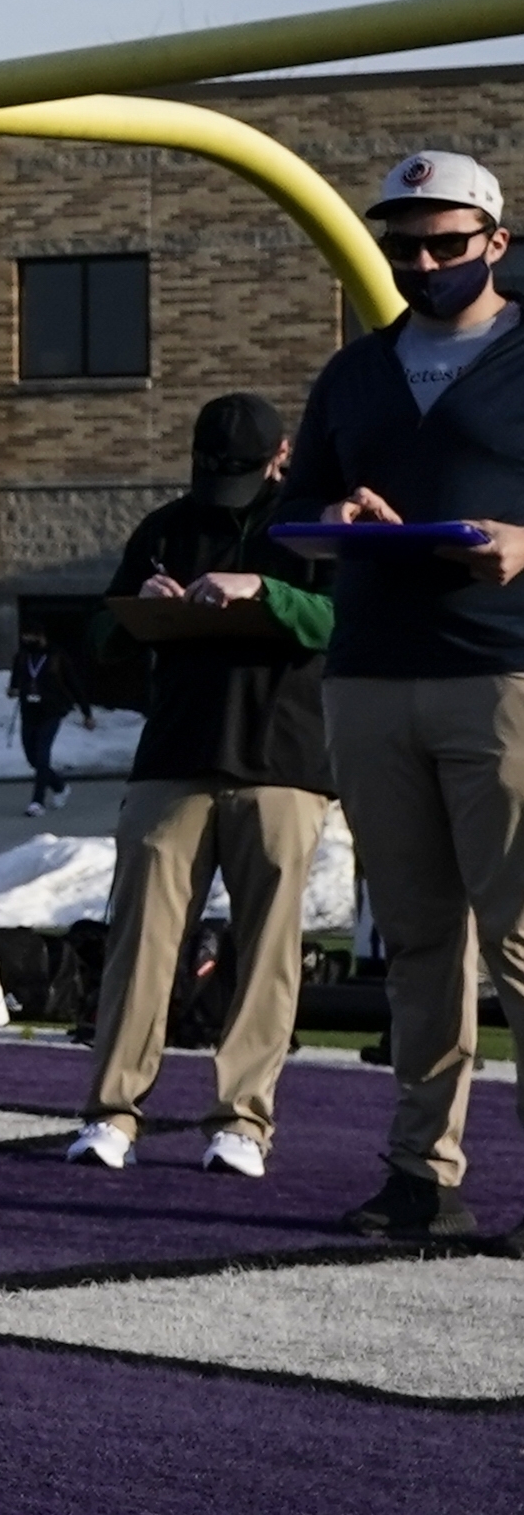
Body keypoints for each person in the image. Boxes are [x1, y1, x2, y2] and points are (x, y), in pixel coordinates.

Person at [274, 148, 524, 1243]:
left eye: (444, 244)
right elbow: (291, 514)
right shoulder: (355, 370)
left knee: (519, 939)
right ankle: (421, 1173)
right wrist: (336, 523)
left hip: (500, 674)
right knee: (418, 940)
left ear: (495, 243)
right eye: (400, 244)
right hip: (371, 676)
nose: (419, 262)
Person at [65, 393, 334, 1178]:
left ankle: (241, 1120)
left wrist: (265, 590)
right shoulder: (165, 527)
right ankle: (110, 1111)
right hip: (173, 756)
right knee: (139, 941)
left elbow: (342, 620)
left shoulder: (316, 524)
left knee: (267, 951)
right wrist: (134, 611)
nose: (222, 487)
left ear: (279, 455)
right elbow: (100, 638)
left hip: (283, 761)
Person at [11, 627, 78, 820]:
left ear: (41, 636)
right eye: (23, 636)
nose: (26, 640)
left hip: (51, 711)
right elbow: (16, 681)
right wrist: (14, 689)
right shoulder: (22, 657)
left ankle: (37, 801)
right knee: (32, 758)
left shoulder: (56, 656)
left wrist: (86, 712)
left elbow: (73, 682)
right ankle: (59, 785)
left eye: (29, 635)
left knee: (42, 755)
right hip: (29, 712)